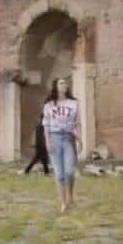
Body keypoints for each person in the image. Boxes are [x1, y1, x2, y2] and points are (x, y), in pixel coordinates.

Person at [42, 77, 80, 213]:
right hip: (54, 138)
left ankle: (71, 196)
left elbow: (77, 123)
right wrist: (47, 142)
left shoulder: (73, 103)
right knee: (59, 174)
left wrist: (79, 139)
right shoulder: (49, 105)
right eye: (61, 83)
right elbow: (46, 125)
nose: (64, 85)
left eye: (65, 83)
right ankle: (63, 203)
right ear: (56, 86)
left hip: (68, 138)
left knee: (69, 172)